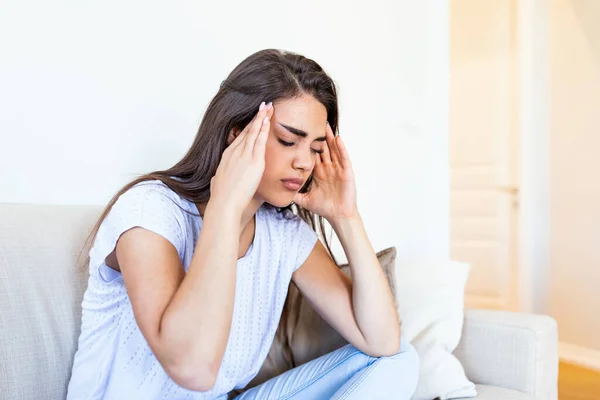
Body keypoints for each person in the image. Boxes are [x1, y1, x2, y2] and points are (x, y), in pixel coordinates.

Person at [66, 49, 419, 400]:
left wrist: (346, 216)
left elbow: (382, 341)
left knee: (398, 358)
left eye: (315, 148)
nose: (304, 162)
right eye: (287, 140)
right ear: (237, 133)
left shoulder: (282, 233)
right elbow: (194, 369)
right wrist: (225, 205)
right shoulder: (149, 212)